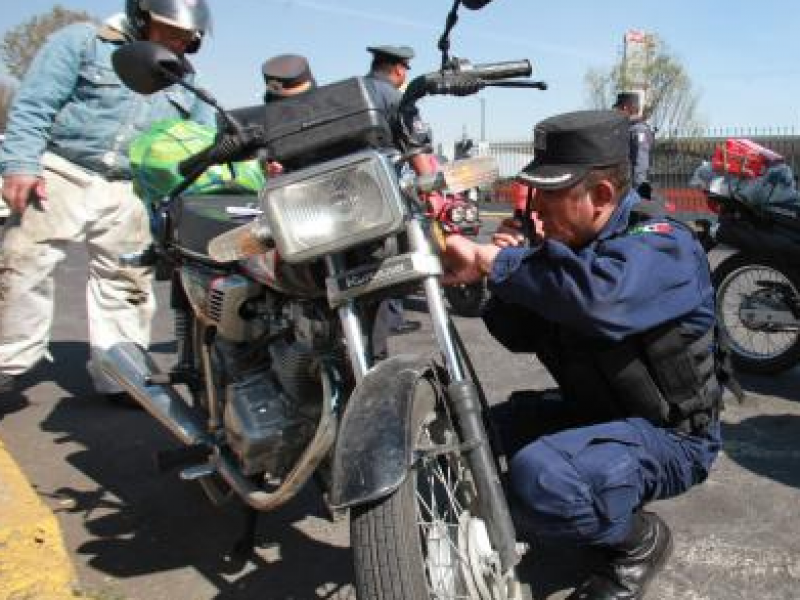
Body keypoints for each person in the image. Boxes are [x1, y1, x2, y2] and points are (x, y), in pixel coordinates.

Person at [442, 110, 725, 600]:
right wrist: (488, 283)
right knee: (467, 438)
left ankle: (636, 545)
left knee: (543, 479)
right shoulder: (563, 247)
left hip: (671, 437)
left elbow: (599, 299)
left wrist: (503, 262)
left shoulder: (663, 245)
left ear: (601, 197)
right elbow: (519, 334)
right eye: (537, 191)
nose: (538, 205)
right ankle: (580, 499)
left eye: (552, 192)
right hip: (594, 412)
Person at [0, 0, 216, 399]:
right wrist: (20, 164)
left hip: (130, 187)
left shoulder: (185, 78)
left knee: (126, 280)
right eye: (170, 31)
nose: (180, 43)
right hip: (63, 168)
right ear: (141, 16)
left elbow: (203, 139)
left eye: (188, 38)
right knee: (24, 263)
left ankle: (119, 375)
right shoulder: (81, 43)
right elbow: (35, 104)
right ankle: (7, 360)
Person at [364, 44, 431, 341]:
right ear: (398, 70)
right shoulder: (395, 97)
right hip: (387, 190)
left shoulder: (355, 90)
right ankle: (389, 320)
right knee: (397, 256)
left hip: (352, 197)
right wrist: (431, 186)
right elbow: (414, 143)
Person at [614, 91, 655, 200]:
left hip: (633, 191)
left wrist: (636, 193)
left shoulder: (638, 130)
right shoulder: (629, 128)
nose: (616, 112)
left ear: (625, 108)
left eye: (617, 109)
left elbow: (640, 163)